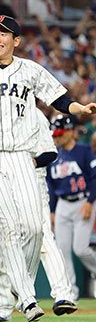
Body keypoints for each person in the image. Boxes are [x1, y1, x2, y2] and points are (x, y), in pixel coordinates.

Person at [0, 15, 96, 322]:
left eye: (4, 34)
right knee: (6, 226)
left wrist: (80, 109)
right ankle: (28, 300)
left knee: (33, 228)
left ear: (16, 41)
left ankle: (21, 289)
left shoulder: (30, 70)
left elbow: (59, 98)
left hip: (21, 157)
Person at [0, 110, 77, 322]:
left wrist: (23, 165)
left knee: (43, 238)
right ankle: (2, 307)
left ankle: (62, 294)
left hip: (31, 181)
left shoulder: (34, 115)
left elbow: (49, 152)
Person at [47, 114, 96, 301]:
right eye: (54, 134)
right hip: (62, 204)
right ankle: (69, 293)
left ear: (69, 131)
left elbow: (94, 178)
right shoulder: (53, 154)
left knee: (81, 248)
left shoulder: (83, 151)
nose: (56, 138)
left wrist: (90, 202)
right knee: (62, 251)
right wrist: (52, 210)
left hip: (83, 201)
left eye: (59, 134)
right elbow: (50, 185)